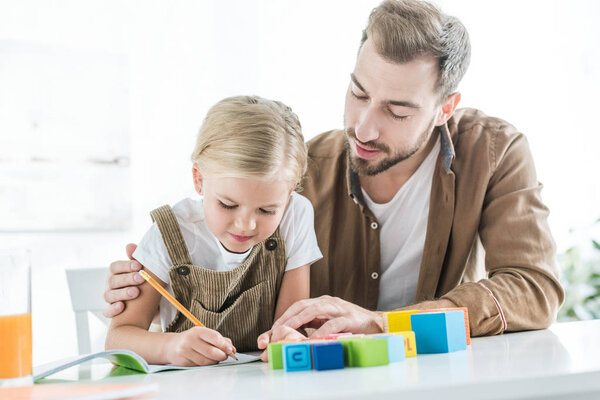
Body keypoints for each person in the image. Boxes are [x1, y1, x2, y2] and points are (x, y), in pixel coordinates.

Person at [104, 0, 564, 356]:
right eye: (359, 92)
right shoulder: (299, 170)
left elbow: (534, 289)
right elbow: (234, 269)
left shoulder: (494, 152)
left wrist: (388, 323)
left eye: (397, 110)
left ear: (446, 107)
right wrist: (153, 282)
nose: (363, 127)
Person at [104, 95, 322, 366]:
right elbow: (117, 341)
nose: (246, 225)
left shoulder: (295, 214)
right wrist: (171, 347)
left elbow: (291, 325)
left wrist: (289, 337)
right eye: (228, 205)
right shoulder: (170, 232)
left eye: (267, 210)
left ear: (289, 193)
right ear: (199, 179)